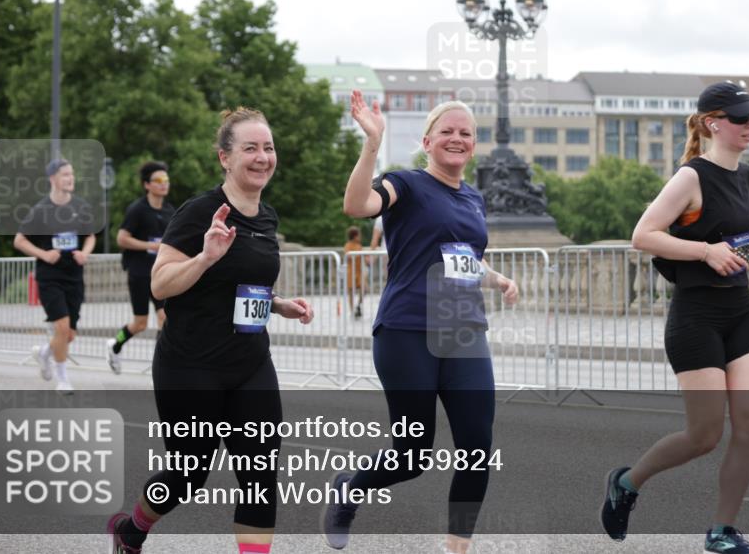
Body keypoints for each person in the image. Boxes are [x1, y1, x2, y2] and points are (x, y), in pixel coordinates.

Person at [108, 108, 314, 554]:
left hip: (250, 365)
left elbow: (244, 287)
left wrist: (279, 305)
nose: (262, 157)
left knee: (260, 476)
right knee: (188, 475)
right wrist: (204, 258)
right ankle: (132, 530)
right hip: (190, 366)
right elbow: (160, 284)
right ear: (225, 157)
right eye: (250, 148)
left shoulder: (267, 217)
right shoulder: (199, 212)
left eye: (268, 147)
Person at [323, 91, 518, 554]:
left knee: (476, 450)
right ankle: (349, 487)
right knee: (412, 456)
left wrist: (497, 279)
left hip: (465, 330)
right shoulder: (405, 184)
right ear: (428, 141)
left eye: (465, 133)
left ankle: (456, 549)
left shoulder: (473, 198)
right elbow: (356, 205)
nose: (456, 138)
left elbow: (463, 260)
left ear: (474, 145)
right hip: (407, 330)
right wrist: (372, 142)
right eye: (446, 132)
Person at [601, 82, 749, 554]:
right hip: (696, 316)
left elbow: (736, 244)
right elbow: (642, 236)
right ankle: (626, 482)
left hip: (738, 313)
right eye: (741, 118)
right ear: (713, 123)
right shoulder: (691, 177)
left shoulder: (746, 176)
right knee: (705, 435)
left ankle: (722, 531)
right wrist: (706, 251)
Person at [16, 159, 96, 395]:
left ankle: (44, 353)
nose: (70, 178)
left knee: (68, 334)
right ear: (52, 179)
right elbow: (19, 240)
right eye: (65, 175)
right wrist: (44, 254)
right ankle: (63, 379)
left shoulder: (80, 207)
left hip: (74, 276)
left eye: (72, 174)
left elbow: (90, 235)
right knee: (61, 328)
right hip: (49, 276)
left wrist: (85, 252)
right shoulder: (41, 210)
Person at [108, 161, 175, 374]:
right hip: (139, 273)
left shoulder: (169, 210)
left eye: (166, 180)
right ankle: (116, 344)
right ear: (147, 185)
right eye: (158, 180)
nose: (163, 184)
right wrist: (150, 245)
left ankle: (160, 365)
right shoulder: (137, 209)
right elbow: (122, 238)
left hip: (161, 274)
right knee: (139, 324)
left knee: (165, 317)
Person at [343, 225, 365, 318]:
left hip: (359, 271)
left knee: (364, 289)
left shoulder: (359, 246)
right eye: (359, 235)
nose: (360, 237)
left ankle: (358, 305)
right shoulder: (348, 245)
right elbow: (348, 256)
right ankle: (352, 311)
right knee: (351, 291)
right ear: (355, 236)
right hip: (351, 271)